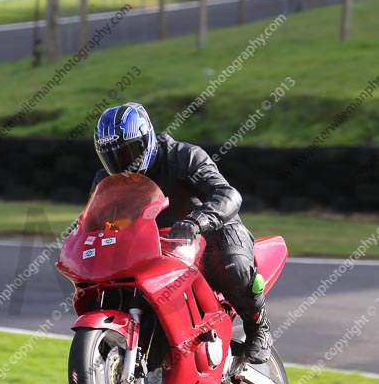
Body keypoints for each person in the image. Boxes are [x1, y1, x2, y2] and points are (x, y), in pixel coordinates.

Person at [92, 102, 273, 364]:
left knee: (233, 265)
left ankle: (259, 327)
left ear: (148, 139)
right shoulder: (106, 182)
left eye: (129, 152)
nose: (123, 164)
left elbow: (227, 194)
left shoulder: (183, 157)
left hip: (211, 230)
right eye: (113, 157)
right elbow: (94, 220)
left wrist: (198, 221)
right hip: (154, 245)